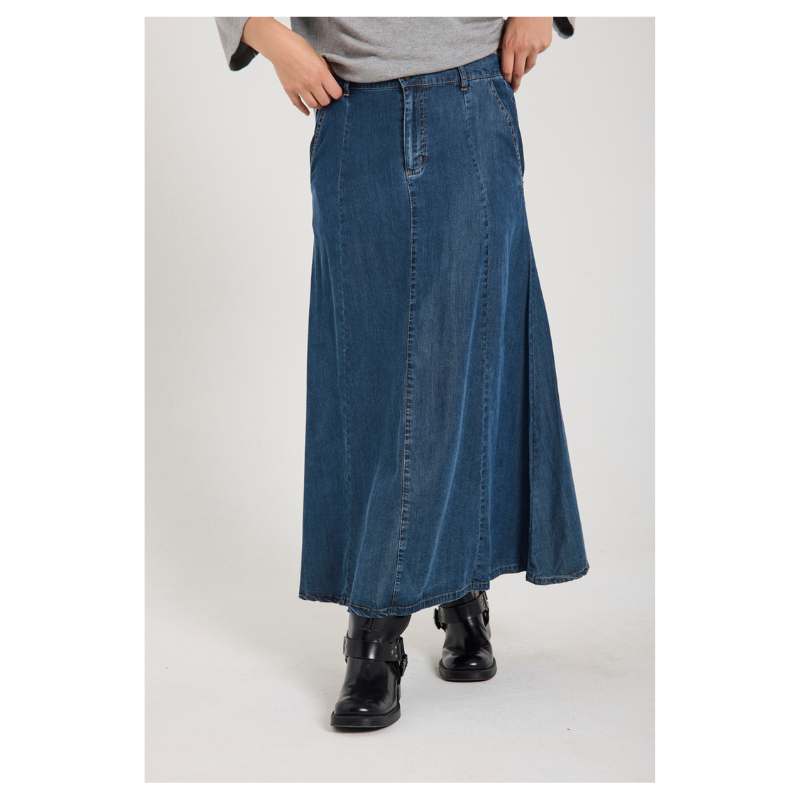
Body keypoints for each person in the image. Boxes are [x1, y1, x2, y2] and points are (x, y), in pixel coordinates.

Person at [214, 16, 589, 730]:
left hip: (472, 95)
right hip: (351, 106)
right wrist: (264, 32)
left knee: (472, 354)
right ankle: (424, 605)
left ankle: (407, 616)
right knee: (367, 376)